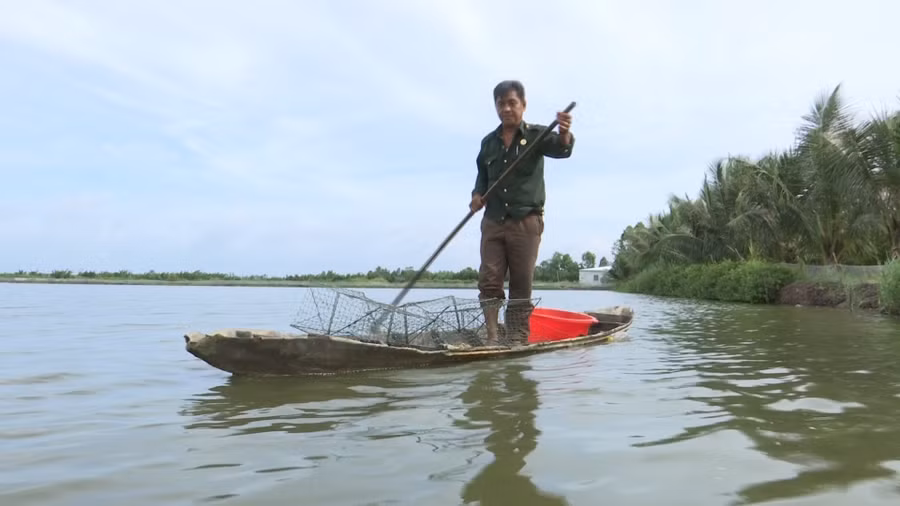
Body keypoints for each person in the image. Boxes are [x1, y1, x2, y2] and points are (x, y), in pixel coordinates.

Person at [469, 80, 574, 346]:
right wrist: (476, 197)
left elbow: (562, 149)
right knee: (489, 280)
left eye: (512, 103)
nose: (506, 108)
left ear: (523, 105)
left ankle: (517, 339)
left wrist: (563, 131)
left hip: (525, 222)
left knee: (520, 284)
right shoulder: (488, 143)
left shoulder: (537, 135)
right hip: (493, 221)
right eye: (501, 103)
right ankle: (492, 337)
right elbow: (482, 177)